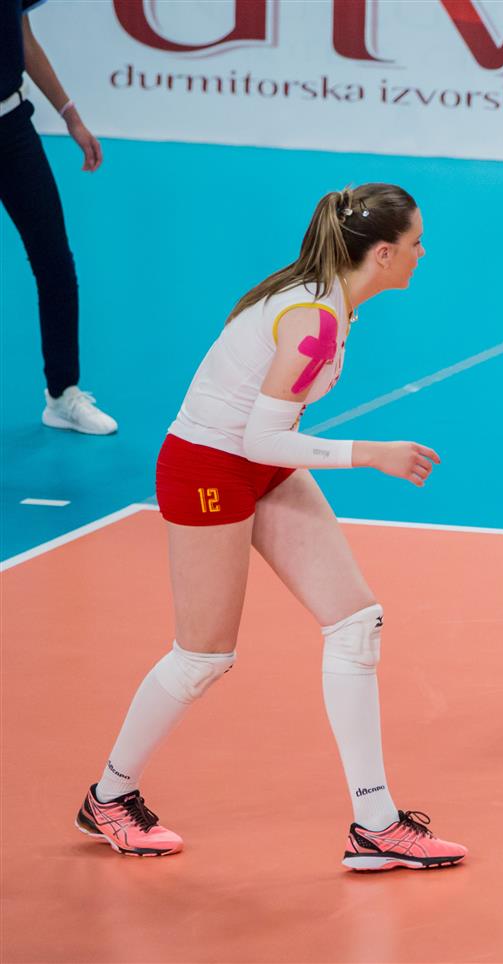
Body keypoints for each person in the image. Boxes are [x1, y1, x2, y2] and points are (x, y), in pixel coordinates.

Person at [75, 184, 467, 871]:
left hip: (259, 461)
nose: (422, 253)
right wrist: (369, 454)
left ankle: (375, 825)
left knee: (355, 622)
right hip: (208, 467)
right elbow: (259, 439)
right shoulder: (314, 318)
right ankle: (110, 796)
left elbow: (265, 441)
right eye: (415, 243)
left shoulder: (329, 302)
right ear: (382, 254)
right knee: (203, 657)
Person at [0, 0, 117, 434]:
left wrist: (72, 117)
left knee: (55, 263)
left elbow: (23, 36)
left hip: (12, 129)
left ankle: (62, 394)